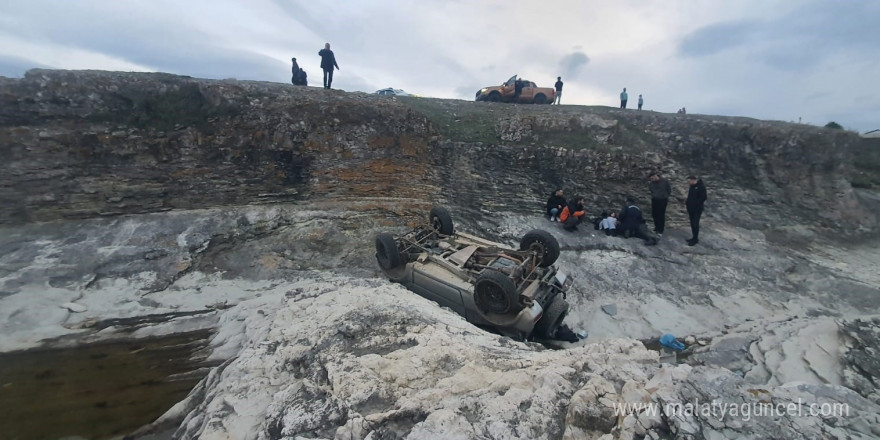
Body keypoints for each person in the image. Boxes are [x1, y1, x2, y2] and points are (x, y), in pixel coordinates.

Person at [685, 176, 707, 246]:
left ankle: (695, 239)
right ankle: (693, 237)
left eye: (689, 181)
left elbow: (703, 197)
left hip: (697, 209)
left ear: (693, 180)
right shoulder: (691, 186)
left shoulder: (701, 187)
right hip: (690, 208)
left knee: (695, 223)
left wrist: (696, 204)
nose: (689, 183)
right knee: (692, 223)